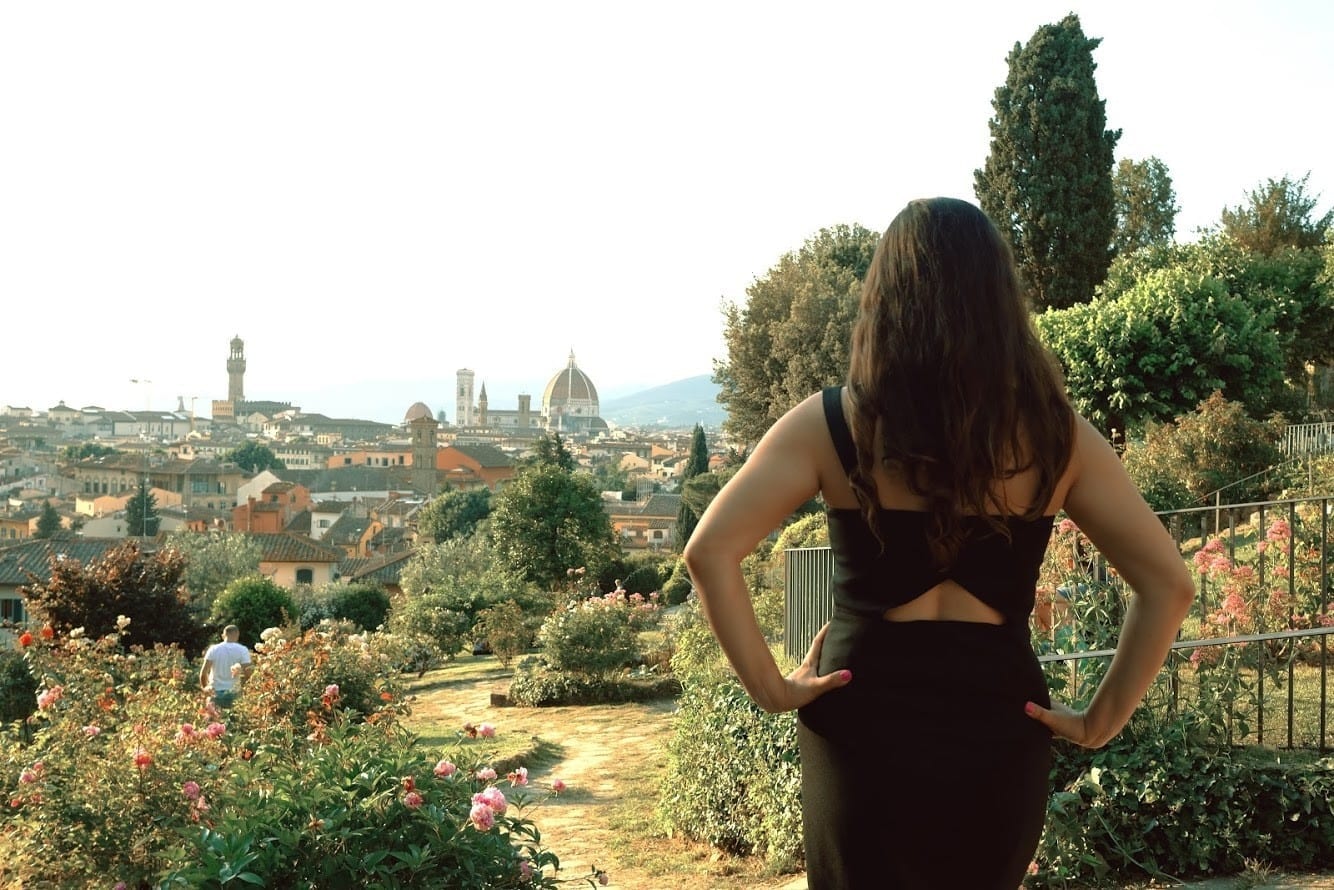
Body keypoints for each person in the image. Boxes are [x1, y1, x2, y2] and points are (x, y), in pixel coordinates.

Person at [683, 197, 1194, 889]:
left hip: (860, 721)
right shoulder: (1057, 437)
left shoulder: (831, 425)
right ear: (999, 301)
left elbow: (709, 552)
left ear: (886, 300)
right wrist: (1100, 720)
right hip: (998, 721)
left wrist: (773, 690)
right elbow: (1170, 584)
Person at [200, 624, 252, 708]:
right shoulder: (243, 650)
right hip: (234, 693)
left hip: (215, 692)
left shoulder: (213, 649)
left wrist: (205, 687)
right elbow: (248, 673)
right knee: (234, 720)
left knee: (213, 720)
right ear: (237, 635)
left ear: (224, 635)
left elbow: (203, 673)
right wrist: (245, 690)